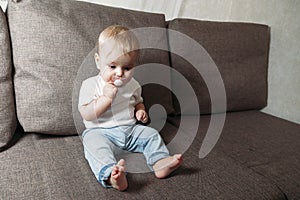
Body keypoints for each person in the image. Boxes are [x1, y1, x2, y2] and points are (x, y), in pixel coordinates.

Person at [78, 25, 182, 191]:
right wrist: (105, 98)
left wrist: (141, 110)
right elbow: (87, 114)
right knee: (92, 144)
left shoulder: (133, 85)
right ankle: (112, 174)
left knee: (151, 134)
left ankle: (160, 161)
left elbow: (137, 101)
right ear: (98, 62)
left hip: (129, 129)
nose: (120, 73)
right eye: (112, 67)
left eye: (127, 68)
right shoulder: (90, 85)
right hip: (100, 131)